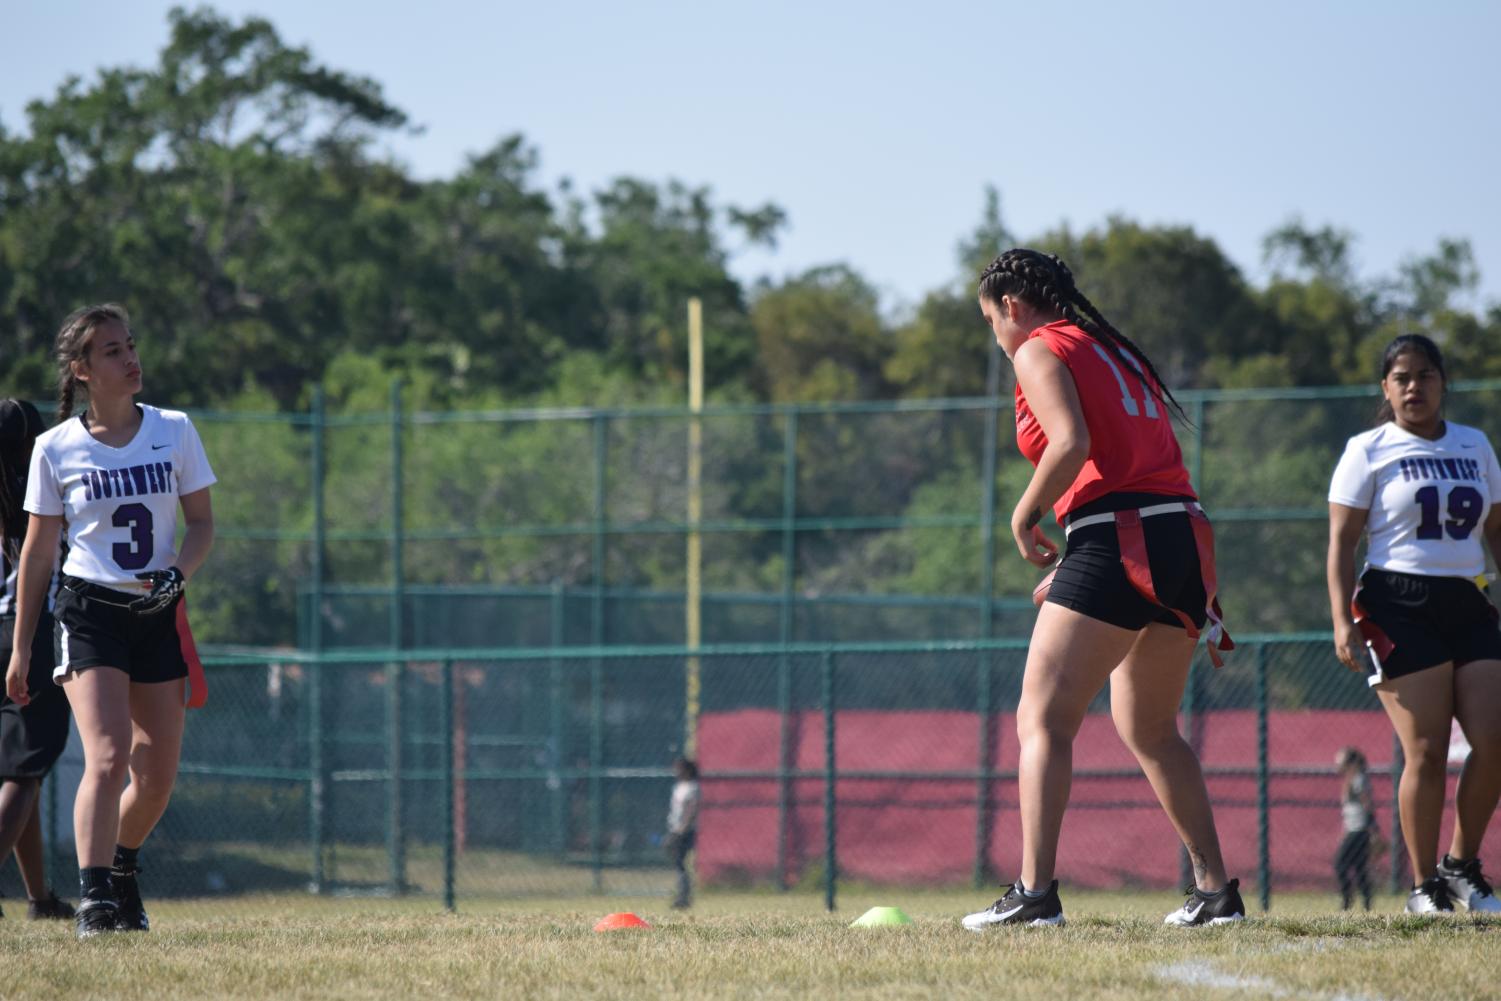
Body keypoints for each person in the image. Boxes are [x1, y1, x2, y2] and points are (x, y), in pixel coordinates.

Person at [960, 249, 1242, 930]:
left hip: (1121, 535)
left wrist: (1022, 514)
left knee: (1042, 719)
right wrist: (1087, 556)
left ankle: (1034, 893)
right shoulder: (1113, 349)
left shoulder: (1036, 345)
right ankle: (1214, 893)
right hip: (1177, 537)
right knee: (1149, 727)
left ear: (1009, 306)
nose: (997, 338)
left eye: (990, 323)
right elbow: (1132, 468)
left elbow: (1070, 442)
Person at [4, 304, 216, 939]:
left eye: (131, 344)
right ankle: (95, 897)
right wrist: (19, 649)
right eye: (112, 351)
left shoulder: (174, 429)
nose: (131, 359)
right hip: (89, 611)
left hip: (156, 612)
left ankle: (121, 869)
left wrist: (178, 574)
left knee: (155, 780)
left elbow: (201, 524)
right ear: (82, 370)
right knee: (107, 753)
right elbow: (40, 553)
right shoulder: (55, 447)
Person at [1327, 333, 1501, 915]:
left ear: (1443, 381)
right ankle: (1423, 885)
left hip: (1468, 600)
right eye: (1401, 377)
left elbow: (1496, 531)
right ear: (1386, 387)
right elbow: (1341, 543)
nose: (1414, 387)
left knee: (1495, 740)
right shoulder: (1367, 449)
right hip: (1397, 603)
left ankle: (1461, 866)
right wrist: (1340, 620)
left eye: (1425, 375)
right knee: (1424, 751)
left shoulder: (1475, 445)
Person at [0, 398, 75, 921]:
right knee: (24, 773)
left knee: (20, 768)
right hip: (31, 632)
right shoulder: (48, 492)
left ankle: (39, 898)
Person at [1333, 747, 1376, 911]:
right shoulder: (1352, 779)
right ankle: (1366, 904)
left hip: (1360, 829)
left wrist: (1373, 829)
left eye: (1341, 761)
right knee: (1359, 867)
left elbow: (1367, 803)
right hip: (1354, 829)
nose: (1337, 765)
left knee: (1340, 863)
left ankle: (1347, 899)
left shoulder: (1358, 779)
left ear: (1351, 763)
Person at [664, 757, 700, 909]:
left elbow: (692, 808)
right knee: (677, 862)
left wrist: (683, 827)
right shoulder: (679, 786)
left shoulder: (692, 787)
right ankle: (681, 894)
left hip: (684, 830)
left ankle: (683, 896)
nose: (676, 771)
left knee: (680, 863)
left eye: (679, 768)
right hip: (675, 828)